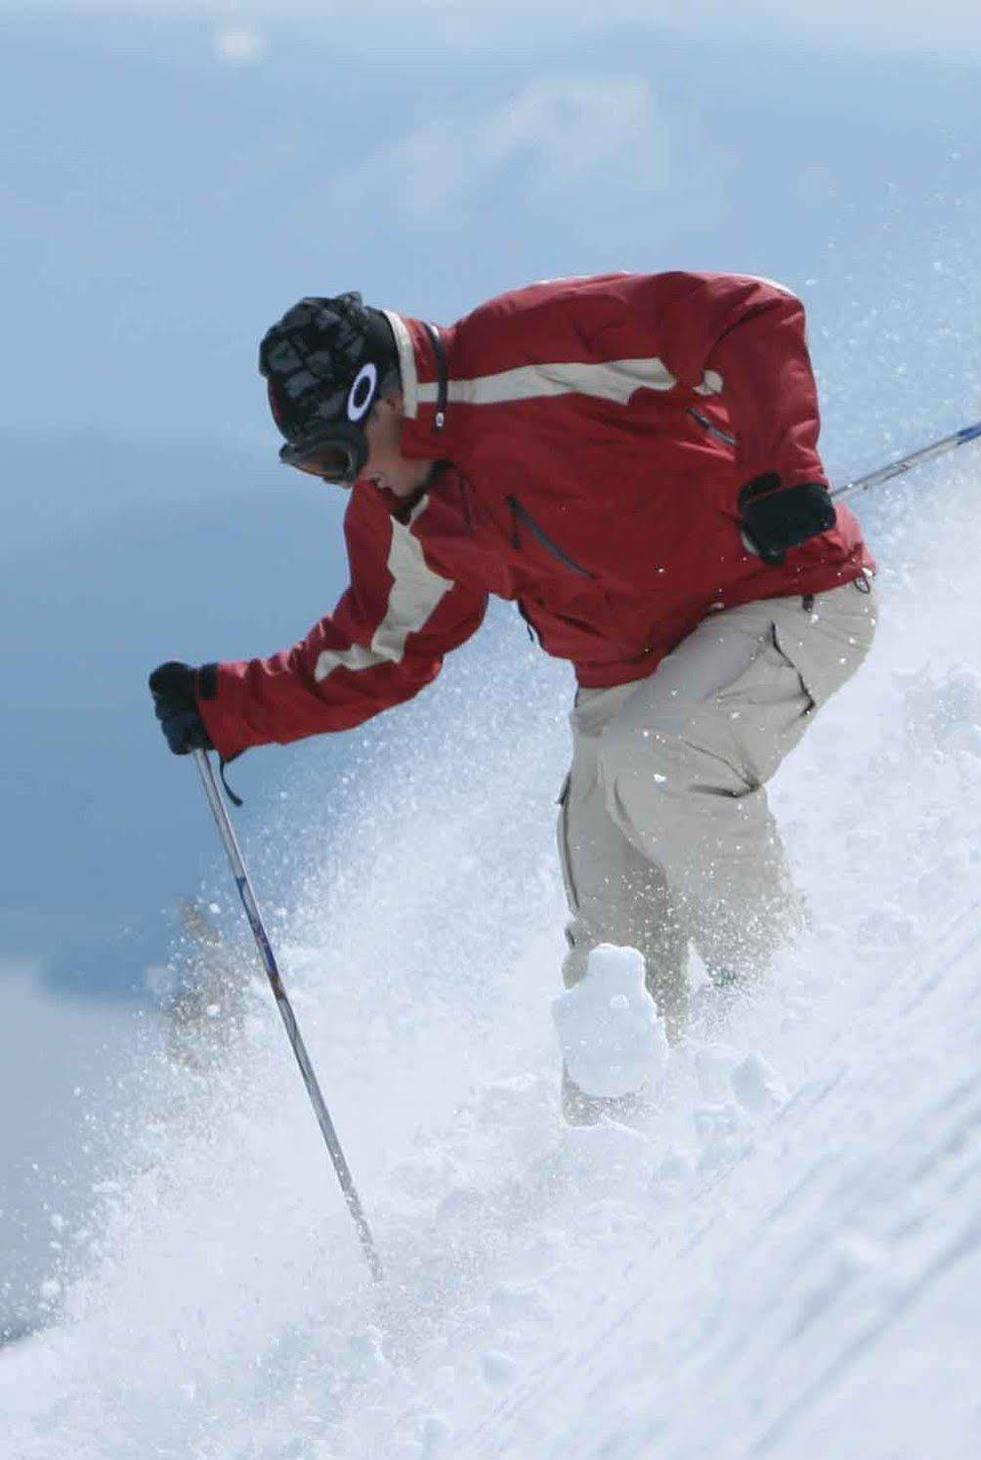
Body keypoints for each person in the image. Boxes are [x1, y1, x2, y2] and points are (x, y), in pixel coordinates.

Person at [149, 276, 877, 1112]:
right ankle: (617, 1163)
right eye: (315, 467)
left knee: (659, 761)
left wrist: (781, 470)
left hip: (783, 592)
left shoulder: (526, 351)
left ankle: (793, 1012)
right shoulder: (401, 509)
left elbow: (747, 317)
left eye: (338, 456)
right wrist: (227, 705)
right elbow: (380, 649)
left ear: (379, 395)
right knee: (612, 935)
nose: (350, 482)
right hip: (631, 677)